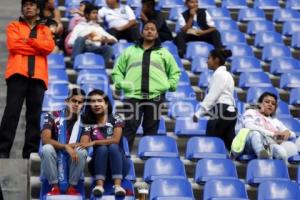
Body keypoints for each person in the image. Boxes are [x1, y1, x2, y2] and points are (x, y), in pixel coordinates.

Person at [112, 20, 181, 151]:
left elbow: (175, 72)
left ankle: (149, 156)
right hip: (133, 96)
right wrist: (121, 84)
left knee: (151, 129)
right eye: (147, 29)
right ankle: (124, 156)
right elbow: (117, 71)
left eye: (152, 29)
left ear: (156, 34)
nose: (149, 31)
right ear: (142, 33)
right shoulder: (129, 51)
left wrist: (169, 85)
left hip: (155, 97)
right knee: (129, 127)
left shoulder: (164, 53)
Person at [0, 0, 55, 159]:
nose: (28, 7)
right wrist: (38, 46)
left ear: (38, 9)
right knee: (11, 113)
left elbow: (48, 48)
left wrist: (29, 41)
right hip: (17, 74)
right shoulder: (14, 26)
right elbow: (13, 46)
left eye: (32, 5)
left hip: (38, 77)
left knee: (34, 115)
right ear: (22, 9)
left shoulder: (44, 29)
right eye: (25, 5)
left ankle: (30, 152)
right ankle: (3, 150)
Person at [79, 89, 130, 197]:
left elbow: (116, 139)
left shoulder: (116, 118)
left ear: (106, 104)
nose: (96, 104)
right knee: (102, 149)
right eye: (93, 102)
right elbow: (84, 143)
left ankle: (118, 186)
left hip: (119, 165)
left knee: (112, 146)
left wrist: (94, 142)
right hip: (98, 165)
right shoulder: (88, 122)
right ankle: (99, 186)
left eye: (99, 101)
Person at [40, 88, 87, 195]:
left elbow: (84, 143)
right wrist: (66, 147)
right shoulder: (53, 115)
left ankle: (72, 187)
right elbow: (45, 139)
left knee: (82, 151)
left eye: (80, 102)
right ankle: (54, 186)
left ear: (83, 105)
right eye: (74, 101)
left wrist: (68, 147)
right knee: (47, 148)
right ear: (67, 101)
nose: (76, 104)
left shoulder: (85, 120)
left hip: (73, 157)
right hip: (55, 156)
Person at [232, 92, 297, 162]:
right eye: (267, 102)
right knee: (255, 133)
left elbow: (293, 135)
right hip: (249, 144)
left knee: (281, 152)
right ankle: (263, 157)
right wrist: (273, 134)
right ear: (259, 104)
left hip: (268, 145)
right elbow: (249, 126)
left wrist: (288, 133)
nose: (270, 105)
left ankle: (280, 170)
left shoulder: (275, 121)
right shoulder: (251, 112)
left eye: (273, 104)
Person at [193, 49, 236, 150]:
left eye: (208, 58)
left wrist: (199, 113)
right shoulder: (228, 75)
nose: (207, 61)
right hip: (231, 111)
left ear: (216, 60)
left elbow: (213, 95)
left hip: (221, 110)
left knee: (211, 143)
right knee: (228, 144)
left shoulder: (219, 75)